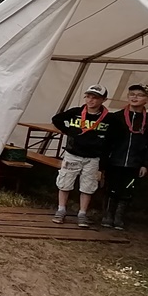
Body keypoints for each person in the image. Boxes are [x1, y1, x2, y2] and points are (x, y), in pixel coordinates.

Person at [50, 84, 112, 227]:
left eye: (95, 98)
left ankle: (82, 213)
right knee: (65, 182)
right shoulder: (76, 112)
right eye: (88, 97)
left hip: (93, 157)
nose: (90, 100)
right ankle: (61, 209)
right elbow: (56, 119)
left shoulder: (108, 118)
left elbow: (113, 137)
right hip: (73, 154)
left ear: (104, 100)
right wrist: (69, 131)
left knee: (88, 186)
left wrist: (103, 157)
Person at [101, 83, 148, 231]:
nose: (135, 97)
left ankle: (119, 217)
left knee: (128, 189)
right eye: (132, 94)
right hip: (115, 161)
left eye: (140, 95)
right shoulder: (116, 117)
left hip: (134, 163)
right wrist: (103, 162)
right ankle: (108, 215)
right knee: (111, 188)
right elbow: (107, 141)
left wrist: (145, 164)